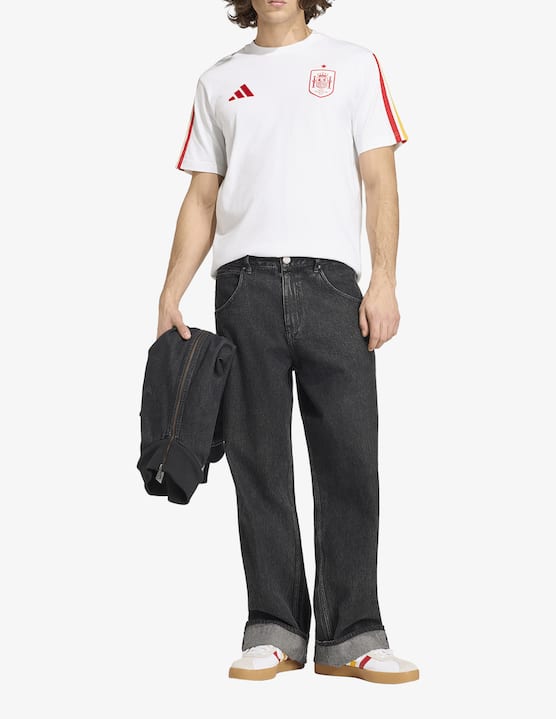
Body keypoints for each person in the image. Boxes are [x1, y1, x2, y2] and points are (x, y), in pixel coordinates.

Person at [157, 0, 418, 683]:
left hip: (333, 286)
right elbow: (202, 198)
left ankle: (353, 633)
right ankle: (273, 628)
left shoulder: (354, 65)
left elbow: (380, 178)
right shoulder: (218, 80)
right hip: (243, 287)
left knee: (351, 459)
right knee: (258, 462)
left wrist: (384, 280)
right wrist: (169, 293)